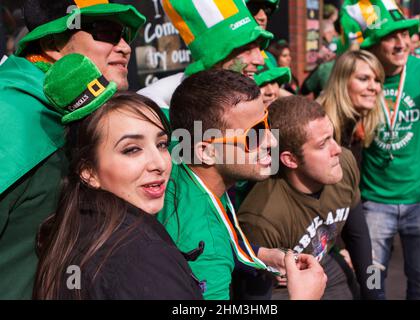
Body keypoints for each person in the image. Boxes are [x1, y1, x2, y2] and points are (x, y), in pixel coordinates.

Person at [0, 0, 145, 299]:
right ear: (53, 43)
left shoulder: (82, 113)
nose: (125, 47)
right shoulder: (9, 115)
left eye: (125, 34)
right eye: (106, 31)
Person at [32, 53, 203, 300]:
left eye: (163, 145)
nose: (159, 164)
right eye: (132, 149)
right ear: (88, 171)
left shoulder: (76, 230)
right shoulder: (139, 256)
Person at [158, 69, 327, 300]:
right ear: (206, 152)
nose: (271, 140)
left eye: (266, 123)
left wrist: (262, 254)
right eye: (254, 134)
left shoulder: (172, 138)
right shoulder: (208, 250)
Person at [342, 0, 420, 299]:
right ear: (375, 44)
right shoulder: (359, 77)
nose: (401, 42)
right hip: (375, 207)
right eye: (391, 36)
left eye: (404, 34)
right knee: (373, 286)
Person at [238, 96, 380, 300]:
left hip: (325, 261)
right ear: (290, 159)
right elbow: (253, 297)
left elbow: (359, 239)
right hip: (281, 290)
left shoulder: (343, 164)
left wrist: (374, 292)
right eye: (323, 144)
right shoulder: (263, 217)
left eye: (333, 137)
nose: (337, 149)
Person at [138, 0, 273, 109]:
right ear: (213, 59)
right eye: (246, 49)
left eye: (259, 48)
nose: (260, 61)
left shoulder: (254, 97)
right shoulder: (157, 105)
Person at [317, 50, 384, 165]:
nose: (374, 87)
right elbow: (276, 168)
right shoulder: (317, 122)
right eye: (363, 79)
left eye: (377, 80)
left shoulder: (359, 122)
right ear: (342, 81)